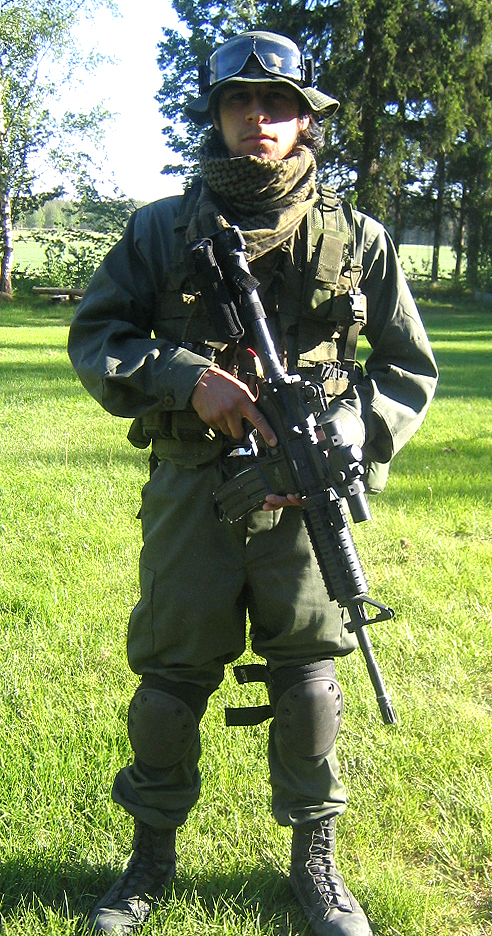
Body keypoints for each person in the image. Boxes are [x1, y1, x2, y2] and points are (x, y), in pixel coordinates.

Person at [68, 30, 438, 936]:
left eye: (278, 104)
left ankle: (316, 861)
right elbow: (98, 336)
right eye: (241, 102)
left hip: (306, 495)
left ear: (306, 120)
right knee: (168, 685)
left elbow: (407, 370)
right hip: (193, 484)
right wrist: (184, 378)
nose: (259, 118)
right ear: (219, 117)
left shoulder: (359, 237)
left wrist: (347, 433)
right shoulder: (160, 228)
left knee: (309, 681)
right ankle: (149, 858)